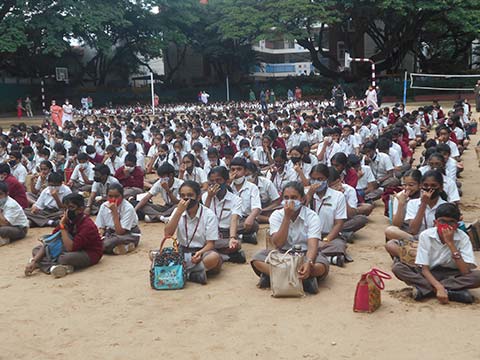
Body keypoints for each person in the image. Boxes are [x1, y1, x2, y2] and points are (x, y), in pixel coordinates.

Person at [392, 203, 480, 304]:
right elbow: (424, 269)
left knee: (477, 276)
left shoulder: (463, 238)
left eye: (451, 222)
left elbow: (465, 271)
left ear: (457, 224)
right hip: (430, 272)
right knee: (398, 267)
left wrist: (451, 244)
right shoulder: (426, 235)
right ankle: (450, 292)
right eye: (442, 221)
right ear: (435, 222)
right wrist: (439, 287)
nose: (446, 226)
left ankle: (425, 290)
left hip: (452, 274)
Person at [251, 181, 329, 294]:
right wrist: (287, 218)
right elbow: (278, 243)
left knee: (321, 266)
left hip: (305, 254)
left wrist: (308, 262)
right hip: (283, 255)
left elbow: (313, 246)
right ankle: (303, 279)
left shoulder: (312, 216)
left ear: (302, 199)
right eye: (286, 197)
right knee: (257, 259)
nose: (289, 201)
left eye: (294, 197)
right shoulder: (277, 215)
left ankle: (277, 276)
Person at [24, 193, 103, 278]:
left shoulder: (87, 225)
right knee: (36, 250)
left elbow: (70, 248)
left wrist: (62, 227)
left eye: (71, 207)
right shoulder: (68, 220)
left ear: (80, 209)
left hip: (88, 253)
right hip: (67, 248)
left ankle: (48, 265)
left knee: (64, 258)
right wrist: (34, 261)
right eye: (65, 208)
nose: (67, 211)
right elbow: (51, 241)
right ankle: (58, 267)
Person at [164, 180, 222, 285]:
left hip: (200, 253)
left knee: (214, 258)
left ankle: (184, 273)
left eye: (190, 195)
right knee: (155, 256)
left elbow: (210, 244)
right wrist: (178, 212)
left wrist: (200, 253)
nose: (186, 199)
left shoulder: (209, 215)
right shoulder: (178, 211)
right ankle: (192, 274)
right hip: (182, 252)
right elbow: (168, 234)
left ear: (198, 197)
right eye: (183, 196)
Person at [202, 166, 245, 263]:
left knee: (235, 245)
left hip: (225, 234)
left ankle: (216, 255)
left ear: (226, 181)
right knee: (200, 243)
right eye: (212, 181)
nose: (215, 184)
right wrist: (209, 197)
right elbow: (203, 217)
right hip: (210, 234)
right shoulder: (206, 196)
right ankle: (227, 257)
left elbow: (234, 219)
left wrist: (232, 238)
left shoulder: (235, 200)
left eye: (219, 180)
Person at [96, 183, 141, 255]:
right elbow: (101, 227)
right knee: (93, 240)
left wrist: (114, 213)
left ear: (122, 196)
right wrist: (100, 234)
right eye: (110, 196)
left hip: (128, 234)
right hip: (110, 233)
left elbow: (120, 232)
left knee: (108, 243)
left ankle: (125, 245)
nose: (113, 199)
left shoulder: (128, 208)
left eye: (116, 196)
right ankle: (121, 248)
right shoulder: (103, 206)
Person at [229, 158, 262, 244]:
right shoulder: (228, 187)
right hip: (230, 219)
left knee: (253, 225)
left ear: (245, 171)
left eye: (239, 169)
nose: (236, 172)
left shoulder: (252, 187)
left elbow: (257, 208)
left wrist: (250, 218)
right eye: (233, 170)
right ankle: (242, 237)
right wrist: (228, 184)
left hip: (244, 219)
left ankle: (228, 235)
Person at [0, 181, 29, 246]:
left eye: (0, 194)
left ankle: (5, 240)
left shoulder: (11, 204)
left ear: (7, 194)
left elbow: (5, 223)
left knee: (2, 230)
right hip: (5, 225)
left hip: (19, 228)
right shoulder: (2, 202)